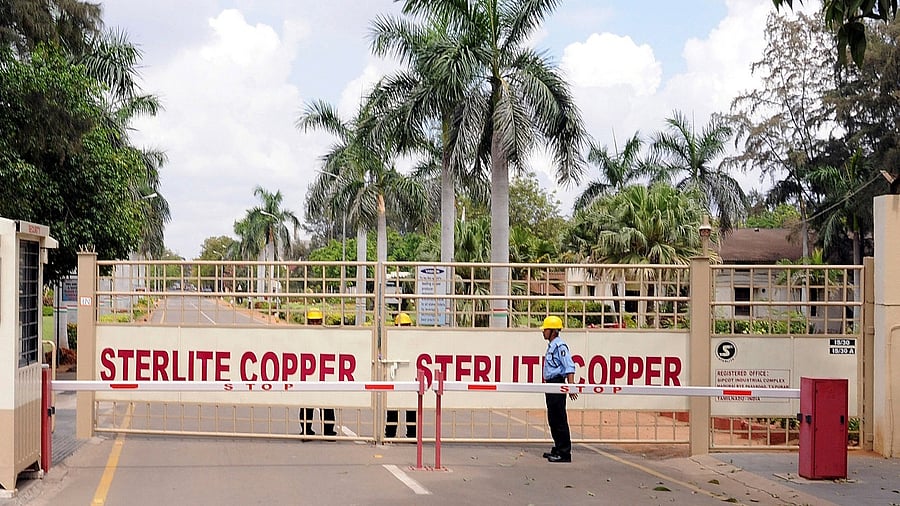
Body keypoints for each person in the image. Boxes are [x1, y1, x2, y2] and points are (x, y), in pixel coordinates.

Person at [539, 315, 578, 463]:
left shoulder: (560, 346)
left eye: (545, 330)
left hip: (557, 384)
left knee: (559, 418)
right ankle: (558, 447)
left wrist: (571, 385)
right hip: (551, 384)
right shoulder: (552, 346)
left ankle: (564, 452)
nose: (543, 332)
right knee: (553, 418)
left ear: (553, 331)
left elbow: (569, 365)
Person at [299, 308, 338, 438]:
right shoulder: (303, 336)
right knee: (307, 404)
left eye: (317, 321)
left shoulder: (327, 336)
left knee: (327, 403)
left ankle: (328, 431)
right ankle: (306, 430)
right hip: (308, 373)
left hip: (324, 373)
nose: (315, 324)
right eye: (312, 321)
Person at [385, 312, 416, 439]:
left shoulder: (413, 340)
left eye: (405, 325)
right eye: (401, 325)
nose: (403, 327)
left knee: (411, 407)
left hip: (409, 375)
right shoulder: (391, 338)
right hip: (396, 375)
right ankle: (391, 433)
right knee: (393, 405)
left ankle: (411, 433)